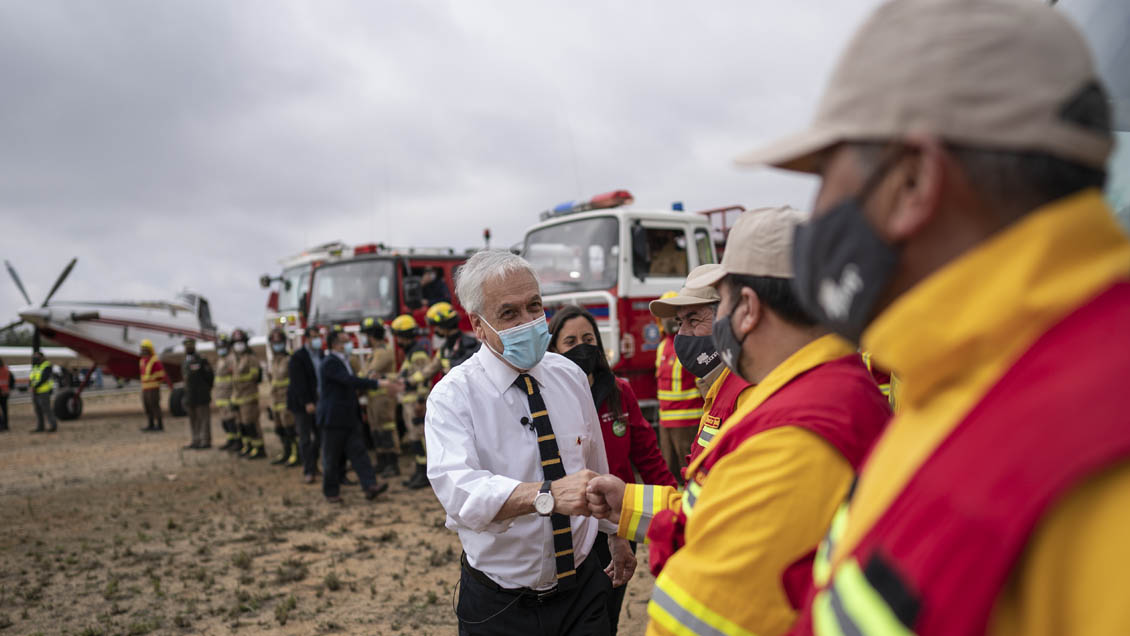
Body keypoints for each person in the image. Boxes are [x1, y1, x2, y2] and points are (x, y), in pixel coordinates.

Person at [736, 1, 1130, 634]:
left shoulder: (1103, 468)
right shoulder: (953, 376)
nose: (814, 219)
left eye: (823, 174)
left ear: (913, 182)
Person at [586, 207, 890, 636]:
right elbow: (712, 509)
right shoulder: (810, 394)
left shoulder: (793, 429)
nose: (685, 334)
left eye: (717, 304)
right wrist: (628, 504)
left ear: (746, 308)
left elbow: (706, 609)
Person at [425, 249, 631, 636]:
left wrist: (616, 536)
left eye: (534, 307)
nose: (529, 322)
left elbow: (596, 466)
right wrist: (546, 495)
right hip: (500, 604)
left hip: (583, 590)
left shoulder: (569, 375)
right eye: (509, 313)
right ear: (478, 326)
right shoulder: (453, 396)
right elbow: (461, 494)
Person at [548, 304, 676, 635]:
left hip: (619, 524)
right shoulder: (547, 400)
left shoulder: (620, 392)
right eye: (570, 340)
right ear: (553, 349)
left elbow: (648, 457)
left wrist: (678, 510)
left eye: (588, 338)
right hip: (568, 529)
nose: (581, 347)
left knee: (608, 617)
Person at [650, 265, 755, 477]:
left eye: (694, 320)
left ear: (729, 319)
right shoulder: (718, 388)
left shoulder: (745, 393)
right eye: (680, 322)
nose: (682, 333)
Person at [317, 328, 398, 503]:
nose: (350, 344)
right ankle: (331, 492)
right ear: (335, 345)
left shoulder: (345, 360)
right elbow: (349, 381)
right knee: (331, 457)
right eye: (345, 341)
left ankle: (370, 486)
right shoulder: (330, 362)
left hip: (348, 418)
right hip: (334, 419)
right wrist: (378, 383)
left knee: (359, 453)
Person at [651, 291, 705, 482]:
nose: (667, 320)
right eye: (663, 316)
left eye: (671, 315)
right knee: (670, 473)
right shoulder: (662, 346)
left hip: (689, 423)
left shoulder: (690, 343)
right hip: (666, 424)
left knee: (693, 472)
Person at [391, 313, 433, 489]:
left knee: (420, 440)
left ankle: (424, 474)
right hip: (409, 403)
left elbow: (424, 379)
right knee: (415, 440)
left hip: (415, 403)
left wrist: (420, 402)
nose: (397, 340)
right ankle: (419, 471)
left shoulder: (417, 354)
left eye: (399, 336)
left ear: (405, 336)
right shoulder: (411, 353)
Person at [359, 317, 400, 478]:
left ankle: (392, 463)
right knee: (376, 430)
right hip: (374, 399)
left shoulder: (383, 352)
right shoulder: (375, 352)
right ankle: (382, 462)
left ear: (371, 335)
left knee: (387, 430)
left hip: (383, 398)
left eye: (365, 335)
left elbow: (368, 373)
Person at [287, 326, 323, 484]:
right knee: (305, 438)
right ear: (306, 338)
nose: (317, 340)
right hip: (302, 404)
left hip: (319, 401)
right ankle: (308, 470)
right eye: (313, 337)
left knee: (321, 436)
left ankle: (314, 464)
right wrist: (307, 402)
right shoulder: (298, 357)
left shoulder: (321, 354)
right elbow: (298, 383)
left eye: (318, 336)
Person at [230, 329, 266, 459]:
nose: (238, 344)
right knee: (242, 425)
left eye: (241, 342)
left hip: (249, 397)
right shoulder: (234, 358)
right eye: (236, 342)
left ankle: (259, 448)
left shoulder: (251, 358)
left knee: (251, 424)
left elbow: (255, 376)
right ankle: (248, 446)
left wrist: (241, 379)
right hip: (237, 397)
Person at [267, 328, 299, 466]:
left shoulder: (289, 359)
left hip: (287, 401)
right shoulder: (273, 361)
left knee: (291, 429)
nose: (277, 345)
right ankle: (286, 452)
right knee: (280, 430)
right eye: (274, 343)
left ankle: (296, 454)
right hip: (276, 402)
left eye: (279, 342)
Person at [425, 301, 481, 376]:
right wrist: (408, 381)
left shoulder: (471, 344)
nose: (435, 330)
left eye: (436, 326)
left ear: (444, 325)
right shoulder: (444, 349)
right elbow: (431, 368)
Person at [180, 337, 214, 449]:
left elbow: (209, 376)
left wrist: (205, 390)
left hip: (201, 395)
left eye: (190, 345)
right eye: (186, 346)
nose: (188, 347)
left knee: (204, 419)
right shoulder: (185, 361)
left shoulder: (201, 360)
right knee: (193, 420)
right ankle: (196, 440)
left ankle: (205, 441)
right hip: (190, 396)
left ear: (194, 346)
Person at [213, 334, 241, 451]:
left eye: (223, 345)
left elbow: (235, 378)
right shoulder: (220, 359)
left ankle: (238, 442)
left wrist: (234, 396)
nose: (221, 348)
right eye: (219, 346)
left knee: (232, 420)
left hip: (229, 395)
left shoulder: (231, 359)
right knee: (225, 422)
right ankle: (231, 440)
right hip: (221, 396)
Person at [138, 339, 172, 432]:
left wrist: (167, 384)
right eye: (142, 349)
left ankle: (160, 425)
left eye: (145, 349)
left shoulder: (155, 361)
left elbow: (162, 374)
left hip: (153, 388)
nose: (143, 351)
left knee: (155, 406)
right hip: (145, 388)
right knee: (147, 407)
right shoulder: (142, 361)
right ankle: (151, 424)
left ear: (150, 350)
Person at [28, 350, 57, 433]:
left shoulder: (46, 366)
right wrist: (30, 386)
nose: (34, 359)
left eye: (36, 357)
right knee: (38, 410)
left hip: (43, 391)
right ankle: (40, 427)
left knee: (47, 409)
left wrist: (35, 386)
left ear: (42, 357)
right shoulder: (35, 366)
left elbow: (44, 378)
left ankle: (53, 426)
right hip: (35, 391)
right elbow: (31, 377)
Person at [0, 357, 12, 432]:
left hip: (2, 392)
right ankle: (5, 425)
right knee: (5, 410)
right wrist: (9, 388)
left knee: (3, 410)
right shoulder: (6, 369)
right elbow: (11, 380)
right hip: (5, 392)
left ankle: (1, 425)